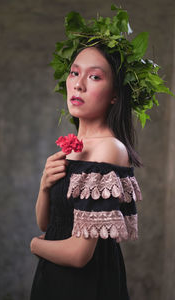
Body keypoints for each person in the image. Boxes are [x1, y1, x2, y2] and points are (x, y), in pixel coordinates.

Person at [29, 7, 172, 300]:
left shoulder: (109, 148)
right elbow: (49, 224)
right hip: (53, 280)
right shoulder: (73, 146)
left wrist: (34, 246)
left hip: (84, 286)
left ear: (115, 94)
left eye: (94, 77)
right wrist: (45, 186)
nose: (78, 84)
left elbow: (79, 254)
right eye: (74, 72)